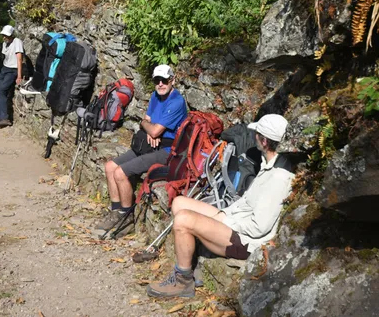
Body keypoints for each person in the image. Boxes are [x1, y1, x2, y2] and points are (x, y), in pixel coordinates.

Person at [147, 114, 293, 298]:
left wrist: (224, 221)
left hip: (245, 241)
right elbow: (245, 203)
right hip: (235, 221)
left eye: (256, 133)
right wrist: (223, 215)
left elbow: (259, 227)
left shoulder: (279, 177)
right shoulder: (267, 165)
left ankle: (183, 281)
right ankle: (194, 262)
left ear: (264, 141)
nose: (254, 136)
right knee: (180, 203)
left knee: (183, 220)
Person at [95, 64, 188, 233]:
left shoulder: (176, 102)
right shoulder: (155, 96)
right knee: (110, 167)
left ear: (172, 80)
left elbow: (153, 128)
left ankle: (126, 217)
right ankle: (116, 211)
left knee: (121, 172)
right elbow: (147, 120)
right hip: (149, 145)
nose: (160, 84)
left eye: (164, 80)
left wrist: (149, 128)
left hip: (166, 151)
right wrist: (149, 128)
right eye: (157, 80)